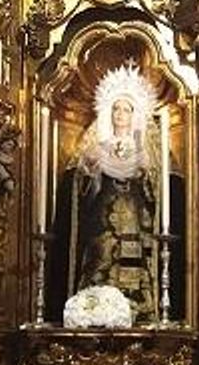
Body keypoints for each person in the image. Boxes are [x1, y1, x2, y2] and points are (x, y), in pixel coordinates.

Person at [62, 62, 161, 319]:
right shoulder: (95, 147)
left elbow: (159, 193)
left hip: (138, 228)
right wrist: (91, 170)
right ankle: (94, 313)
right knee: (101, 261)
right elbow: (79, 195)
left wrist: (147, 173)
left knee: (138, 271)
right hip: (103, 229)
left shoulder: (147, 149)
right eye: (115, 108)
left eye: (126, 109)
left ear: (135, 114)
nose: (120, 114)